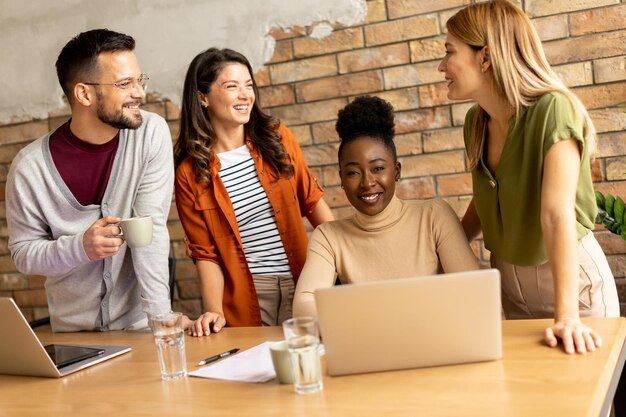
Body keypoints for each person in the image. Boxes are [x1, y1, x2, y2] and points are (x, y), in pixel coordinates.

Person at [438, 0, 620, 355]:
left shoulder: (554, 110)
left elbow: (556, 214)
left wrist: (566, 314)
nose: (441, 66)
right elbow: (492, 196)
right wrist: (443, 251)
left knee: (585, 406)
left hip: (572, 291)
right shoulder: (476, 122)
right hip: (509, 287)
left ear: (485, 57)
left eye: (449, 52)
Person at [6, 29, 178, 332]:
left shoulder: (151, 134)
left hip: (141, 327)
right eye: (125, 84)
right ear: (84, 94)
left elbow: (149, 231)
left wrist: (161, 317)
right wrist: (80, 247)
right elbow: (23, 254)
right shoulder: (29, 169)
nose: (140, 92)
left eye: (140, 80)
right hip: (74, 337)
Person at [174, 48, 334, 336]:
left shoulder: (277, 138)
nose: (245, 94)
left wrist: (348, 267)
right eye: (232, 86)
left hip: (305, 284)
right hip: (249, 297)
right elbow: (205, 253)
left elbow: (313, 203)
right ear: (203, 97)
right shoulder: (189, 172)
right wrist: (215, 312)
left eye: (248, 85)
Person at [292, 95, 479, 317]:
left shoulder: (434, 216)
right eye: (353, 172)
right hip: (368, 347)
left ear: (397, 171)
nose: (367, 183)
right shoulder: (328, 237)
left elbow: (475, 292)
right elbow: (304, 307)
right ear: (341, 179)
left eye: (378, 168)